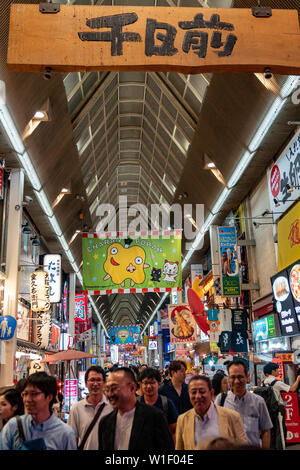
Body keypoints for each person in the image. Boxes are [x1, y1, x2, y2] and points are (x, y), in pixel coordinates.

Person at [98, 367, 174, 451]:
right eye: (107, 389)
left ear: (132, 388)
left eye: (114, 388)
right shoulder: (105, 423)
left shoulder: (155, 417)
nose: (110, 394)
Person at [1, 372, 76, 450]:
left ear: (49, 397)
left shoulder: (65, 434)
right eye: (25, 394)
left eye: (34, 394)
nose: (28, 399)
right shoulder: (13, 426)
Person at [175, 375, 248, 450]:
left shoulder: (232, 417)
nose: (198, 396)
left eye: (202, 391)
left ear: (211, 393)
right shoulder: (182, 420)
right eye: (193, 392)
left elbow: (243, 446)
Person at [215, 359, 273, 449]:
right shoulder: (221, 400)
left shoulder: (258, 401)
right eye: (233, 377)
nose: (237, 381)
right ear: (229, 379)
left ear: (247, 377)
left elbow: (266, 430)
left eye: (240, 377)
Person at [68, 365, 113, 450]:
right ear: (86, 383)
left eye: (98, 380)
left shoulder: (112, 406)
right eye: (92, 380)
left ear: (104, 383)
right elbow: (72, 439)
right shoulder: (77, 409)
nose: (95, 384)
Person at [138, 367, 178, 441]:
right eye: (145, 383)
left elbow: (173, 431)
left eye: (152, 383)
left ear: (159, 384)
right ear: (141, 384)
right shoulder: (136, 404)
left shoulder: (167, 403)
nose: (149, 386)